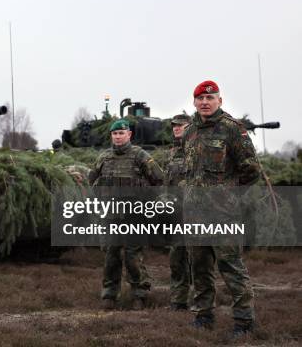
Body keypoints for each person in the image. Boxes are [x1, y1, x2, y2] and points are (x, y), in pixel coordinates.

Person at [182, 80, 259, 336]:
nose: (205, 102)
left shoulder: (232, 129)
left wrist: (227, 195)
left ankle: (244, 321)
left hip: (222, 215)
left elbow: (251, 170)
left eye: (210, 98)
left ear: (219, 101)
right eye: (200, 99)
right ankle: (203, 317)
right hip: (194, 215)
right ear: (194, 102)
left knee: (232, 268)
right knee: (199, 269)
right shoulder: (190, 131)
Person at [89, 119, 164, 309]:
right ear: (111, 136)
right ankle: (109, 296)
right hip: (111, 215)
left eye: (121, 133)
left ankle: (140, 294)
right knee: (111, 256)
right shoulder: (104, 157)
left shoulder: (140, 155)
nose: (118, 137)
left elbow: (159, 179)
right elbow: (92, 181)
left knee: (133, 256)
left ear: (129, 135)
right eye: (115, 134)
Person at [165, 114, 192, 310]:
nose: (176, 128)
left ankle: (203, 301)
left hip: (196, 211)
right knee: (177, 258)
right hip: (177, 213)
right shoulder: (173, 152)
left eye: (180, 125)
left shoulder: (198, 149)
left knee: (199, 260)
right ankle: (179, 300)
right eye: (174, 125)